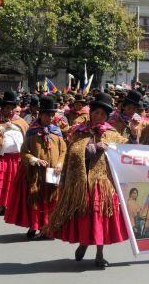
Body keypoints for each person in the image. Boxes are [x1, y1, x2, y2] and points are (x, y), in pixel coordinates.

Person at [48, 92, 129, 269]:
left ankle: (99, 255)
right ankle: (84, 242)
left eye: (103, 114)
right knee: (85, 216)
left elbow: (125, 148)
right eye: (96, 113)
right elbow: (73, 152)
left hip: (103, 182)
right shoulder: (79, 130)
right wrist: (91, 148)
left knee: (101, 217)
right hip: (82, 182)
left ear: (107, 116)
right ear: (91, 113)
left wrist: (137, 135)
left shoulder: (112, 133)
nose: (99, 117)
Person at [4, 96, 67, 239]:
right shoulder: (32, 132)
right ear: (41, 115)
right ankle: (34, 225)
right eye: (47, 115)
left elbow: (63, 150)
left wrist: (59, 164)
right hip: (35, 173)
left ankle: (47, 227)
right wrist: (34, 159)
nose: (50, 118)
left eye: (52, 115)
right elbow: (24, 151)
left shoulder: (57, 132)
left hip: (53, 173)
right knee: (35, 200)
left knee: (51, 201)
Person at [0, 91, 29, 215]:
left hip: (18, 158)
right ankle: (3, 205)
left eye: (12, 108)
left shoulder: (21, 122)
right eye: (7, 108)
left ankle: (11, 206)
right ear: (3, 108)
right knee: (3, 182)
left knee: (14, 184)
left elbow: (28, 136)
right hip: (2, 158)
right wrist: (2, 127)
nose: (10, 111)